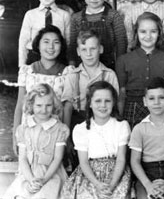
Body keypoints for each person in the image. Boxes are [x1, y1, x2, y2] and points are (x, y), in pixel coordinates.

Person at [61, 81, 132, 199]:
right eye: (98, 101)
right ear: (90, 103)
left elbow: (121, 159)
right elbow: (83, 162)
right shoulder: (81, 129)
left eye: (107, 101)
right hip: (90, 175)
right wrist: (97, 185)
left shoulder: (121, 126)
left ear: (113, 103)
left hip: (116, 173)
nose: (103, 105)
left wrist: (111, 185)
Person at [13, 25, 73, 155]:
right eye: (46, 42)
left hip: (54, 135)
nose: (51, 47)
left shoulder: (67, 72)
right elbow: (20, 105)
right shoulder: (27, 71)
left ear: (61, 46)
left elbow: (67, 107)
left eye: (56, 42)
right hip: (29, 133)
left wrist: (65, 136)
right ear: (38, 45)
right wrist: (15, 136)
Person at [5, 83, 70, 199]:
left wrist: (43, 181)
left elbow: (57, 158)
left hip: (50, 175)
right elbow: (23, 158)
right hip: (28, 175)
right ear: (31, 105)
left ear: (54, 105)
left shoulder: (59, 129)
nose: (44, 110)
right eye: (39, 105)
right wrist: (31, 180)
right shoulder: (24, 129)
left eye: (48, 105)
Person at [116, 12, 164, 127]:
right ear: (136, 33)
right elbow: (121, 93)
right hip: (132, 108)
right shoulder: (123, 60)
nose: (148, 36)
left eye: (153, 31)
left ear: (159, 33)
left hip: (160, 108)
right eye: (143, 31)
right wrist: (120, 120)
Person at [62, 30, 119, 131]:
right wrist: (66, 131)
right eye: (84, 50)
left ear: (100, 49)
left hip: (104, 121)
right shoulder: (72, 75)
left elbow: (114, 104)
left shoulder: (109, 75)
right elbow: (68, 106)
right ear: (78, 52)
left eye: (93, 49)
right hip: (78, 121)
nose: (88, 54)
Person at [69, 0, 127, 69]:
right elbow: (72, 44)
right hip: (82, 68)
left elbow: (121, 43)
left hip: (109, 67)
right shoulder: (76, 18)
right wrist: (71, 65)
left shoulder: (113, 16)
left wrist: (120, 65)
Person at [18, 0, 71, 66]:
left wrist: (70, 65)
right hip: (34, 58)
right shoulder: (30, 15)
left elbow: (69, 43)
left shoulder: (64, 15)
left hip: (57, 59)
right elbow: (23, 43)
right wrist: (22, 66)